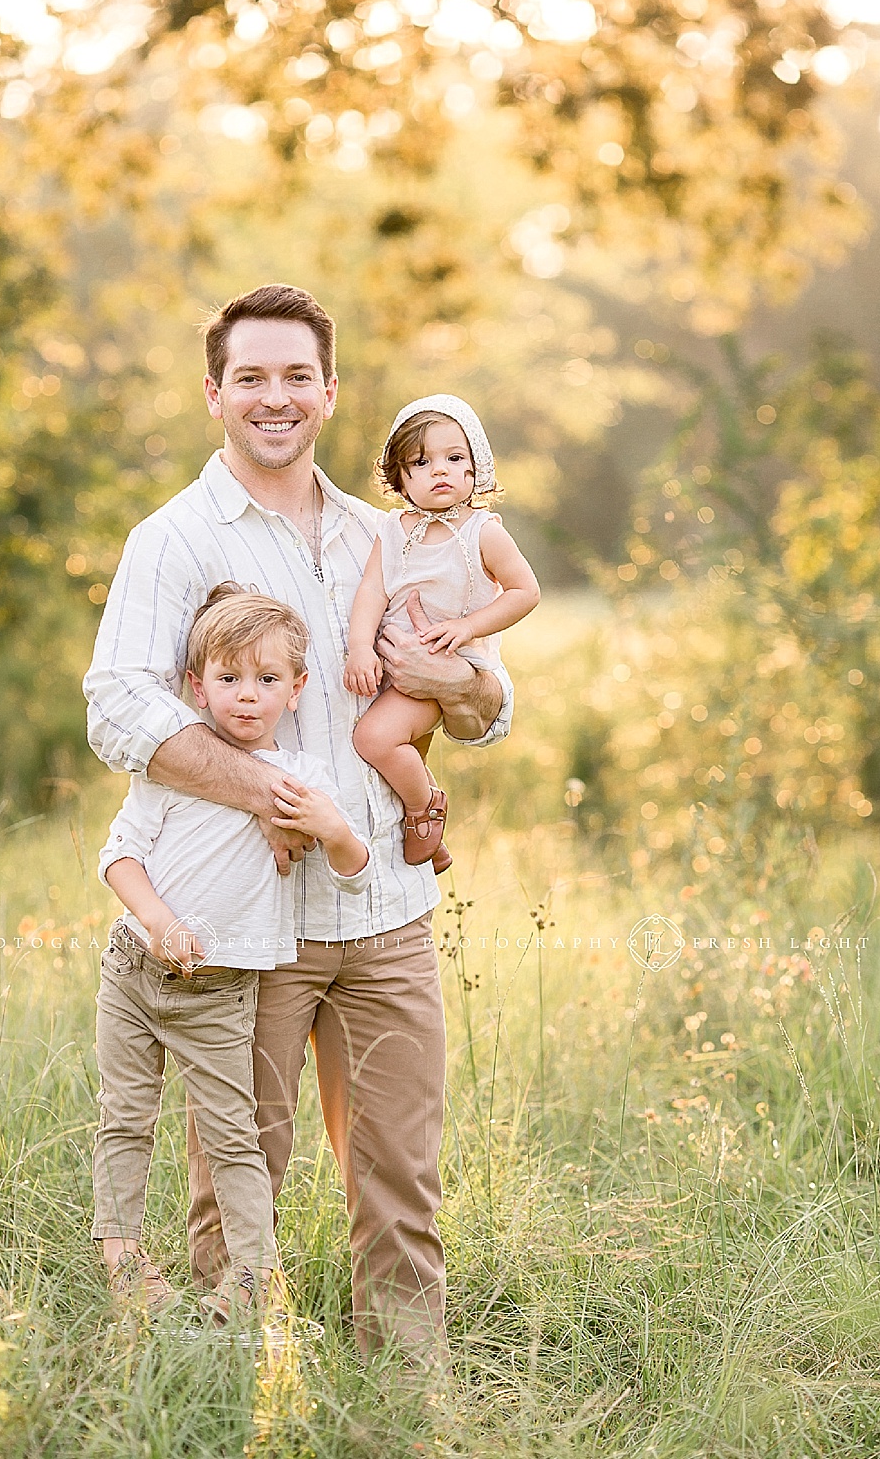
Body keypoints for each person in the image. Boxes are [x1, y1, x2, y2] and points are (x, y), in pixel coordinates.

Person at [83, 283, 512, 1361]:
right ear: (215, 394)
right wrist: (276, 797)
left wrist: (454, 685)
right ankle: (222, 1394)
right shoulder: (172, 539)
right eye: (251, 377)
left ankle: (402, 1407)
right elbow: (117, 706)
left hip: (385, 914)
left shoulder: (399, 530)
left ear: (329, 391)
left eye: (296, 376)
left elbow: (489, 707)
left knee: (401, 1184)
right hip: (244, 927)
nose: (275, 397)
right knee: (237, 1187)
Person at [94, 585, 369, 1324]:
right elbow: (120, 858)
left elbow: (354, 863)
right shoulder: (173, 765)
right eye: (228, 678)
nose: (247, 698)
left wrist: (326, 828)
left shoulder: (304, 779)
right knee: (125, 1116)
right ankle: (121, 1257)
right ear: (196, 685)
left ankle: (251, 1279)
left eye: (267, 680)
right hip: (133, 969)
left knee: (230, 1135)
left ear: (297, 689)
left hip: (220, 991)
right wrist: (157, 921)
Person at [343, 395, 540, 873]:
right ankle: (433, 838)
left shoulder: (482, 532)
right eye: (422, 461)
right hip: (395, 662)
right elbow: (372, 590)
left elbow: (524, 591)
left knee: (372, 740)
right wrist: (358, 648)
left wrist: (467, 627)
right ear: (399, 475)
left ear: (476, 468)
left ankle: (424, 809)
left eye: (455, 458)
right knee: (383, 753)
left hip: (446, 664)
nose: (441, 471)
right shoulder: (393, 529)